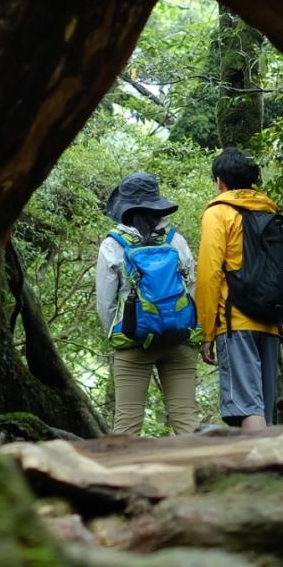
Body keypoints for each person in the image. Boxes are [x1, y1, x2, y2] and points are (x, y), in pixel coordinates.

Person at [94, 172, 200, 436]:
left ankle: (119, 477)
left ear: (124, 209)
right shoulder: (175, 240)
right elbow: (192, 287)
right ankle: (204, 474)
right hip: (179, 339)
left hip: (134, 341)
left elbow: (105, 303)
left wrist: (121, 332)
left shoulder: (112, 245)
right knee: (186, 419)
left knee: (127, 425)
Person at [196, 148, 283, 431]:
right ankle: (267, 466)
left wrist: (206, 330)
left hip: (236, 321)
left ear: (219, 181)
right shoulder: (271, 212)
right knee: (263, 410)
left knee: (247, 407)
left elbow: (209, 273)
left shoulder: (219, 213)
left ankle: (257, 471)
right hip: (272, 322)